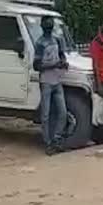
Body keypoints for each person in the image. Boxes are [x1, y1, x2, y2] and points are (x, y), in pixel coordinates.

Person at [33, 16, 68, 155]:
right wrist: (55, 64)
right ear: (43, 26)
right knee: (46, 115)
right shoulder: (40, 43)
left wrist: (63, 62)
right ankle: (49, 143)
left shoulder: (56, 40)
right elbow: (36, 66)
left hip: (56, 80)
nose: (49, 26)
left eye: (50, 24)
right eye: (48, 24)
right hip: (46, 82)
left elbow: (61, 55)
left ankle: (56, 139)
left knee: (62, 113)